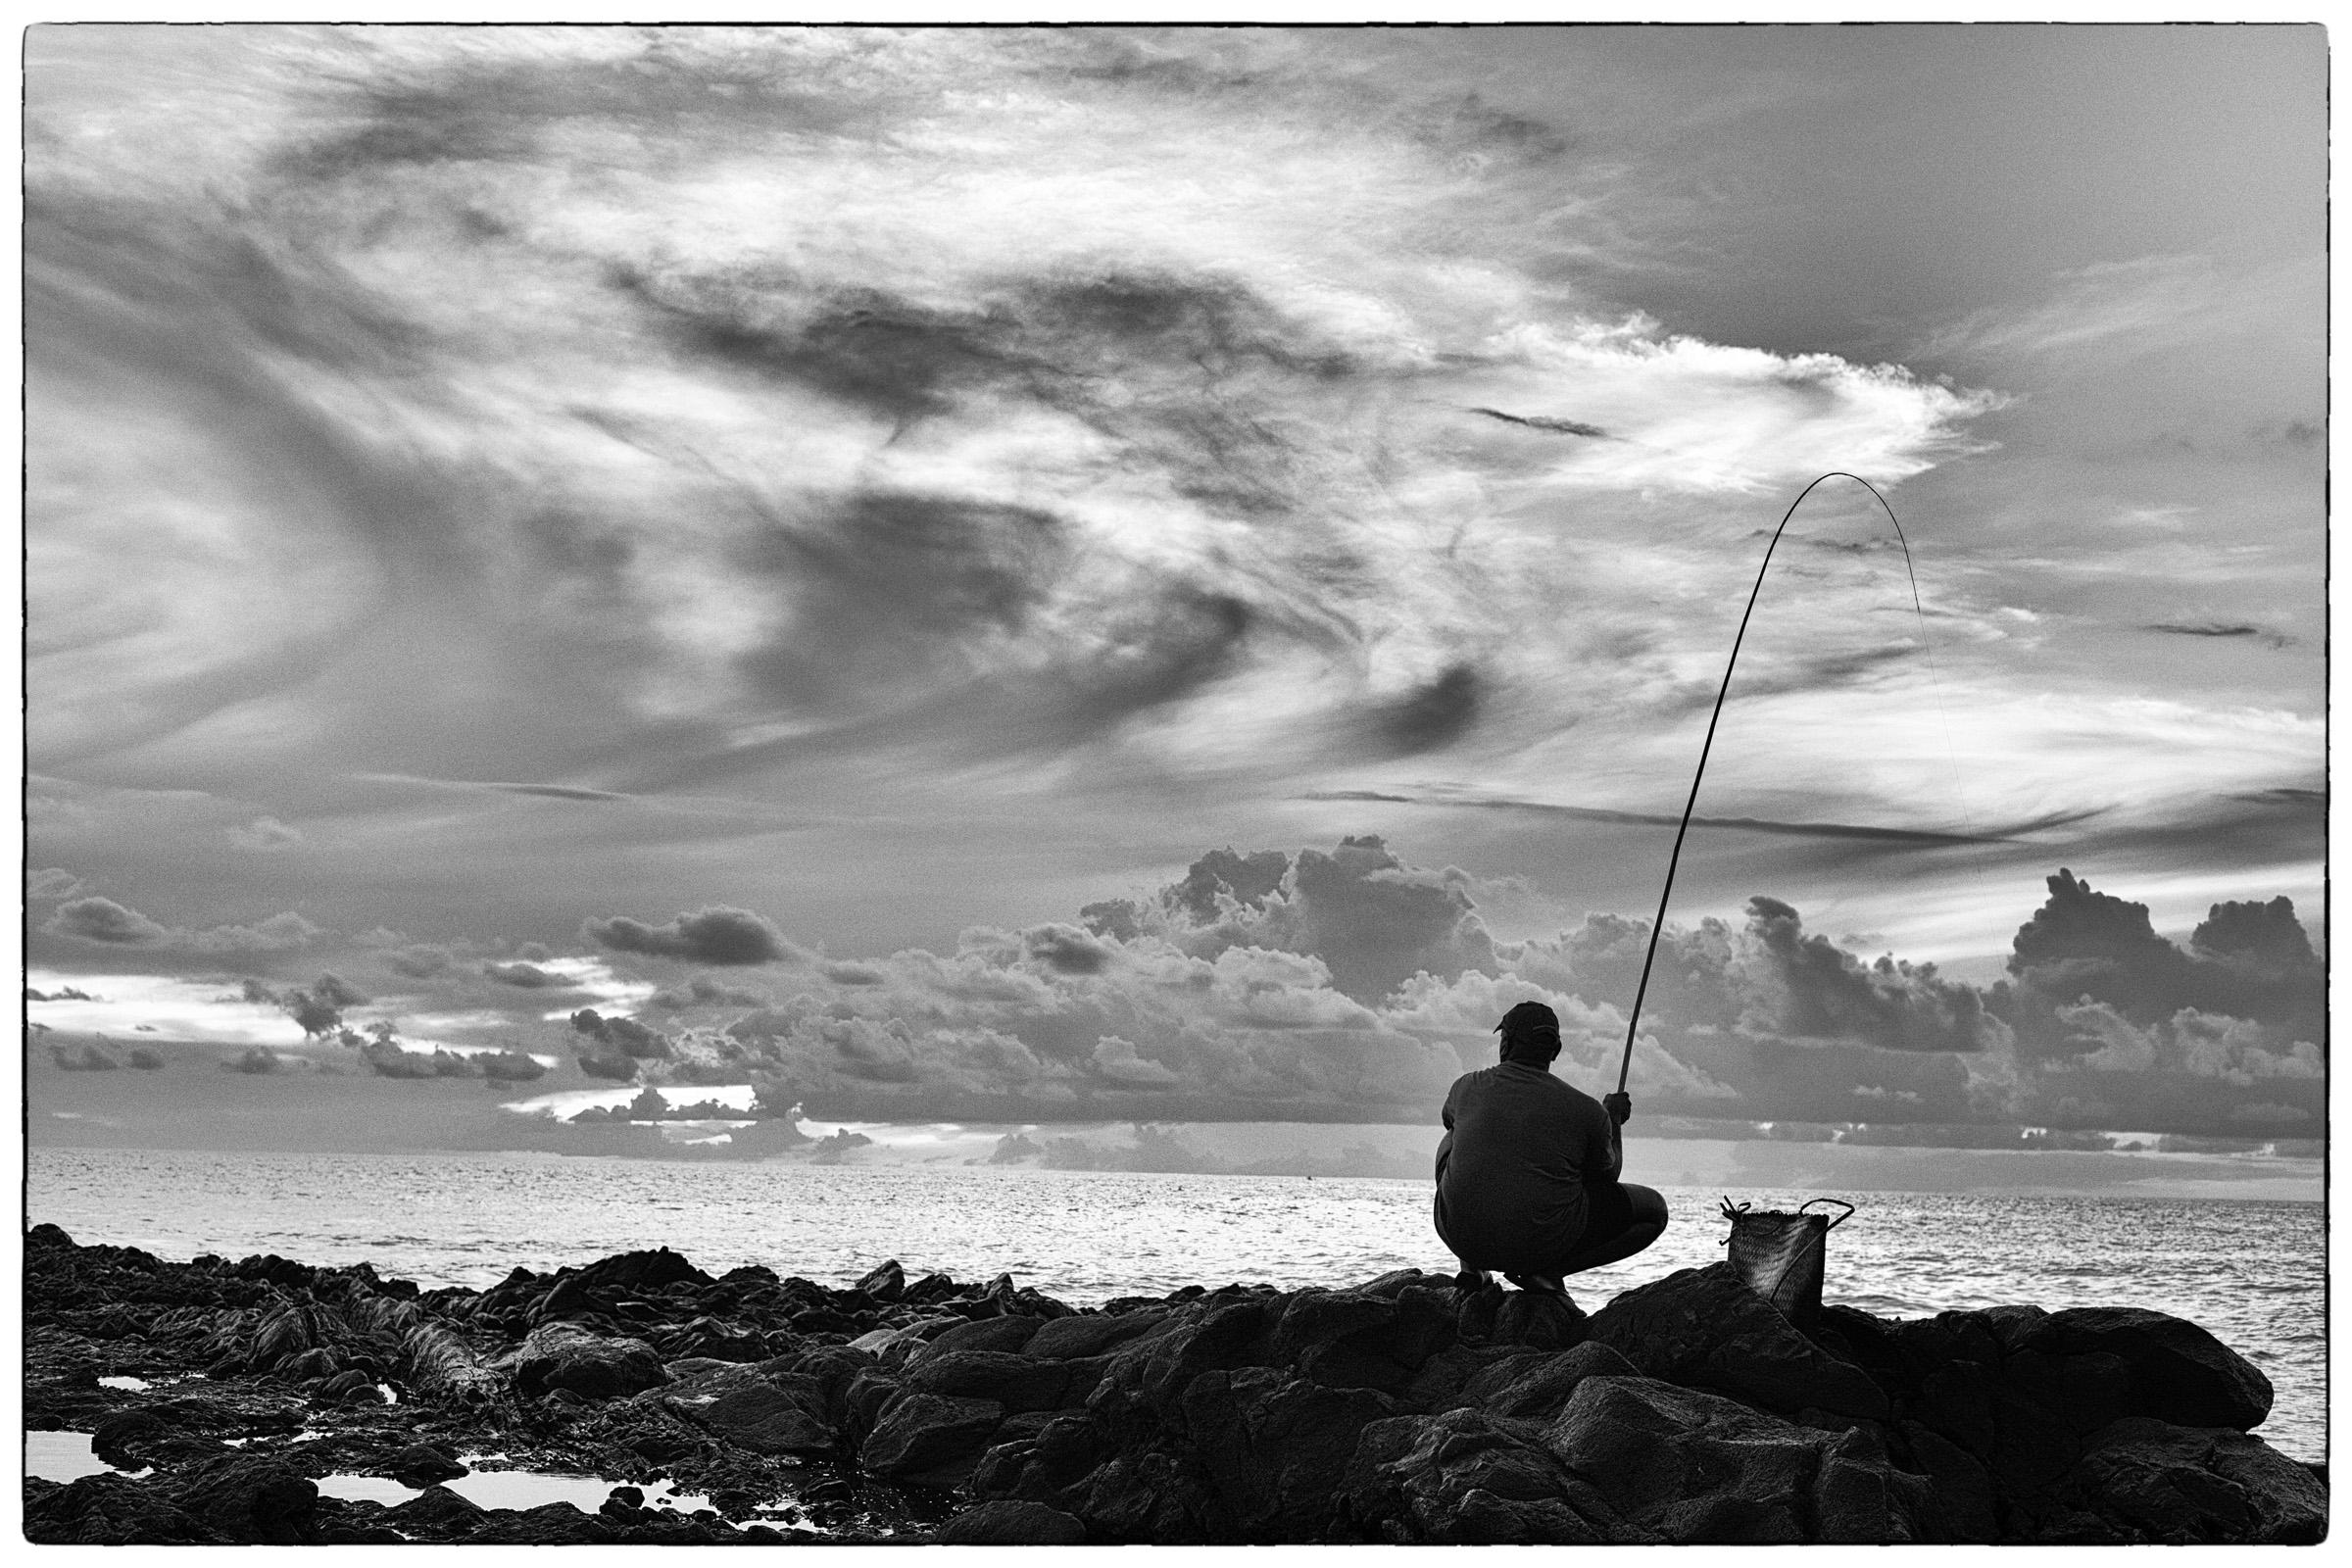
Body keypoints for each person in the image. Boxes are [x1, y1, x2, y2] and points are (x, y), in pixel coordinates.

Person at [1433, 1000, 1669, 1296]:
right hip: (1541, 1246)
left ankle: (1471, 1268)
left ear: (1505, 1043)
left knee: (1454, 1135)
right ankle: (1549, 1273)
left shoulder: (1466, 1087)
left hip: (1459, 1236)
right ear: (1555, 1051)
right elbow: (1608, 1178)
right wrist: (1614, 1121)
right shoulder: (1588, 1111)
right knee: (1655, 1211)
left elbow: (1449, 1122)